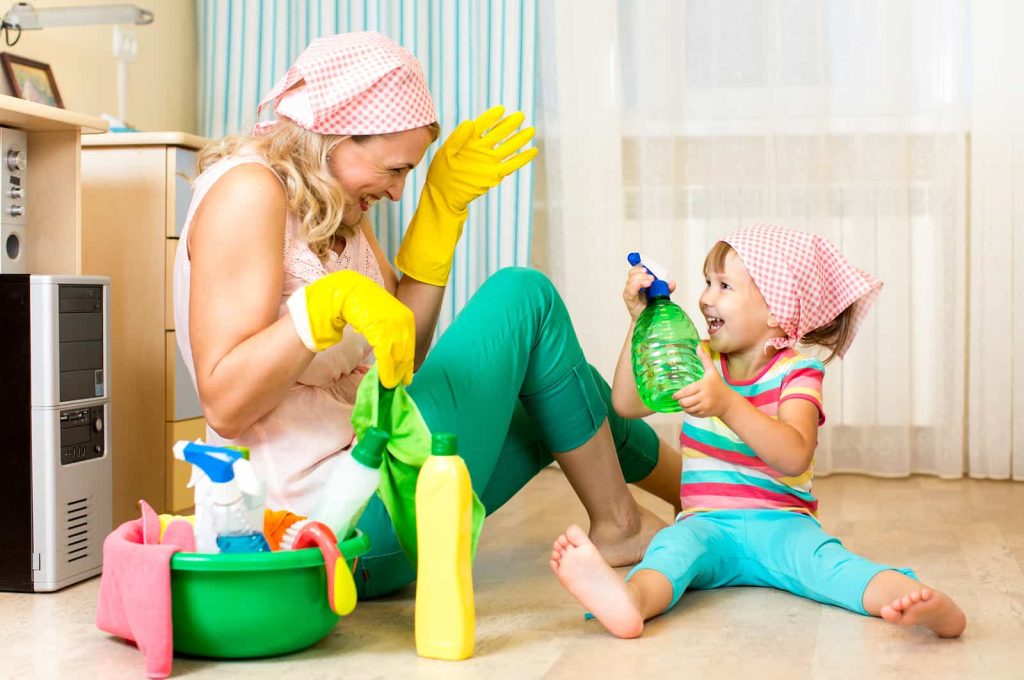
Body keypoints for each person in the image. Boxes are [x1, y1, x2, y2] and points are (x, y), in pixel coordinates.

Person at [174, 32, 678, 598]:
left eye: (408, 175)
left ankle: (713, 495)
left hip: (376, 474)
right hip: (324, 531)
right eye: (394, 170)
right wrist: (314, 313)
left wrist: (440, 213)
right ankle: (623, 525)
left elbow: (401, 358)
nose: (396, 193)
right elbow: (223, 401)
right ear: (333, 136)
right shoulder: (249, 192)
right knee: (522, 296)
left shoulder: (334, 203)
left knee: (559, 385)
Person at [549, 223, 967, 639]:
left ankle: (915, 598)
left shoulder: (797, 372)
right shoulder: (698, 357)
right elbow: (626, 403)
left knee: (832, 568)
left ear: (775, 310)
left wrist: (727, 403)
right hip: (707, 523)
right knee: (668, 552)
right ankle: (630, 604)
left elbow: (794, 454)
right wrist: (641, 322)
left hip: (783, 525)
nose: (705, 297)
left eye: (724, 286)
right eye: (707, 282)